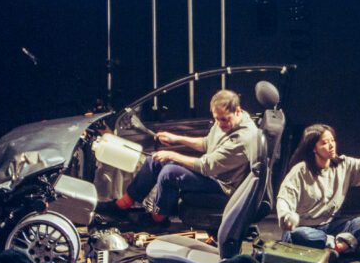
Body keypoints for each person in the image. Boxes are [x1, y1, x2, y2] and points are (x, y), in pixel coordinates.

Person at [106, 89, 258, 227]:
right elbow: (206, 143)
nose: (220, 124)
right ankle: (122, 205)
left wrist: (172, 155)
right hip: (213, 173)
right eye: (216, 119)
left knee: (170, 172)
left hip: (223, 186)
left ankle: (157, 220)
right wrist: (175, 139)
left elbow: (206, 166)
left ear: (238, 111)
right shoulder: (228, 121)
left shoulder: (242, 139)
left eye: (224, 120)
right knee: (154, 159)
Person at [276, 123, 360, 255]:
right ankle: (343, 245)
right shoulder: (300, 171)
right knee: (300, 235)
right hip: (307, 228)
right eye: (324, 143)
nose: (331, 145)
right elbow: (285, 197)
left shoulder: (343, 165)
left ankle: (335, 247)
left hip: (331, 226)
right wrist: (286, 217)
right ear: (313, 148)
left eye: (332, 140)